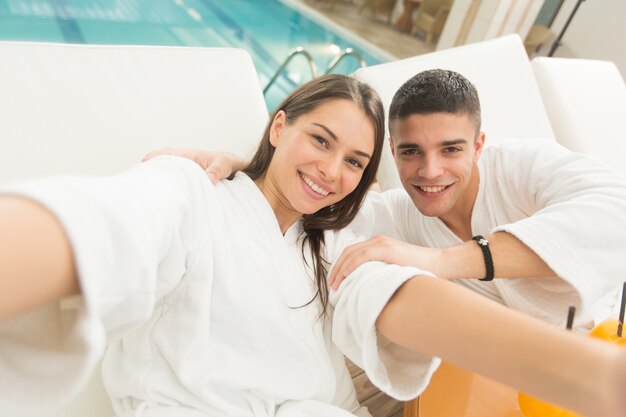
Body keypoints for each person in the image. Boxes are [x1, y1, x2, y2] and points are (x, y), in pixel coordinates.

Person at [0, 74, 625, 417]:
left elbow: (386, 289)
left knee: (376, 277)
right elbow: (107, 222)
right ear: (280, 124)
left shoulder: (330, 237)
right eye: (320, 140)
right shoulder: (188, 191)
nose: (331, 171)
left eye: (355, 160)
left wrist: (592, 378)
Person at [164, 69, 626, 332]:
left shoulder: (525, 169)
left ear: (480, 145)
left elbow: (615, 215)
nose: (429, 172)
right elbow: (312, 198)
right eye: (411, 152)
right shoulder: (396, 216)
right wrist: (246, 165)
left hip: (601, 346)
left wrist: (443, 262)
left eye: (451, 149)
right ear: (390, 154)